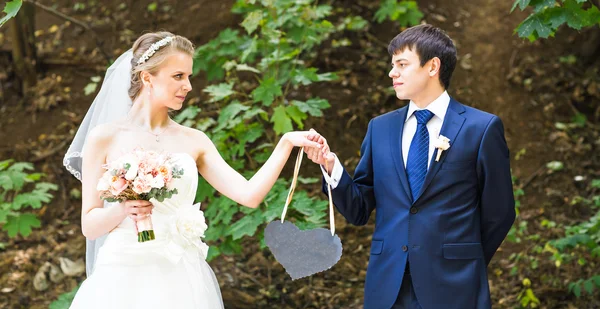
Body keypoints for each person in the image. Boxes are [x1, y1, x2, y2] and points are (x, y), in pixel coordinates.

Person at [63, 31, 324, 309]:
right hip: (122, 274)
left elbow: (249, 195)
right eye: (178, 76)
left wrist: (285, 143)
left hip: (180, 276)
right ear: (147, 78)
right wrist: (122, 209)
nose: (188, 86)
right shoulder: (104, 137)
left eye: (189, 77)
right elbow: (89, 226)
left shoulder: (194, 140)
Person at [305, 24, 516, 309]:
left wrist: (465, 258)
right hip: (388, 287)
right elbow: (358, 210)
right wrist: (331, 167)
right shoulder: (379, 128)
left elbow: (499, 211)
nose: (392, 73)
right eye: (392, 65)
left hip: (455, 285)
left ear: (433, 67)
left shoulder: (481, 128)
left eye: (402, 64)